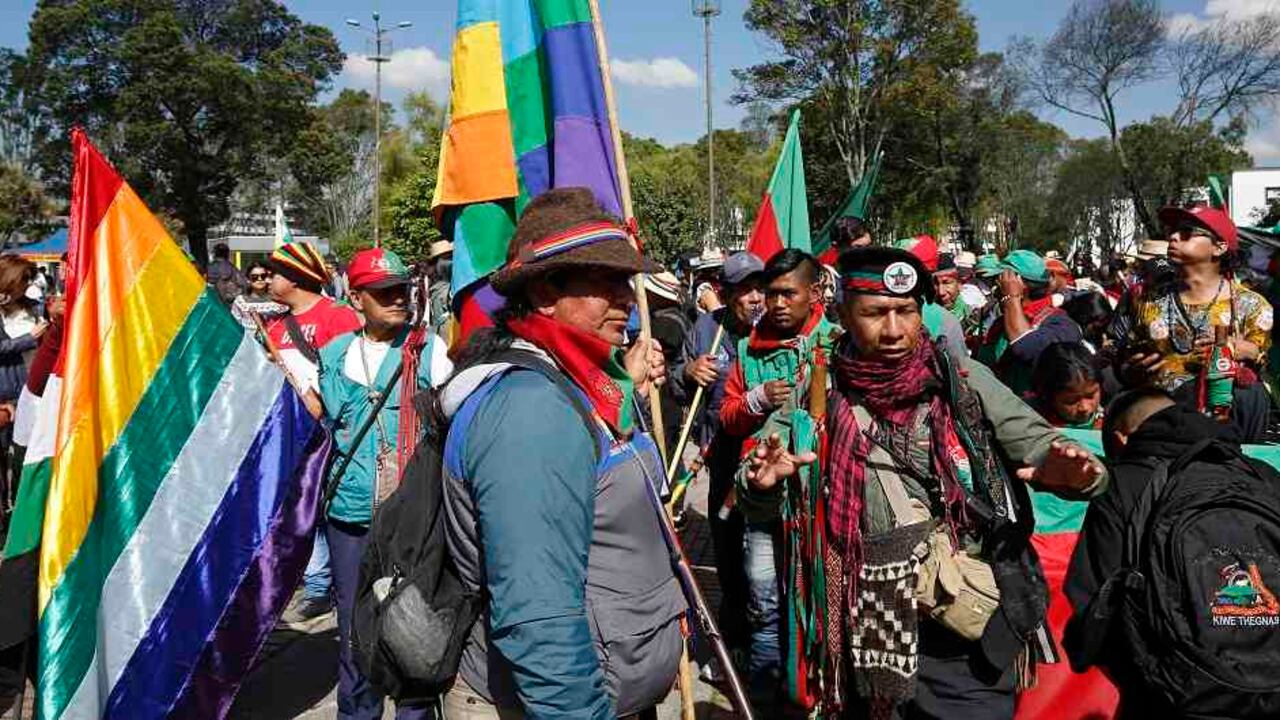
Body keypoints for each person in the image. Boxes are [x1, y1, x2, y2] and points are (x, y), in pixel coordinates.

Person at [744, 246, 1108, 718]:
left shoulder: (962, 379)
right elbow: (758, 493)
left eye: (906, 312)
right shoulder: (815, 390)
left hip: (961, 630)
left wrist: (1074, 473)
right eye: (876, 313)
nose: (894, 329)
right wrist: (763, 484)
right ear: (843, 315)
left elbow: (1040, 444)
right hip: (861, 631)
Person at [437, 187, 682, 718]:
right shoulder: (530, 410)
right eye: (607, 281)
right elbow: (538, 615)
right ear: (546, 292)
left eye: (626, 280)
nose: (627, 299)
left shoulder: (586, 385)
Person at [1062, 389, 1258, 718]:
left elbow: (1096, 607)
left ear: (1121, 439)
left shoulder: (1121, 486)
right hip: (1267, 688)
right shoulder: (1260, 477)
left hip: (1168, 693)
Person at [318, 247, 452, 720]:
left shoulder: (430, 350)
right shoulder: (333, 356)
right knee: (356, 634)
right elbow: (320, 428)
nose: (398, 299)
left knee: (412, 630)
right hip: (350, 518)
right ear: (356, 298)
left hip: (411, 520)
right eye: (384, 292)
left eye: (401, 290)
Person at [718, 248, 840, 704]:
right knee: (764, 603)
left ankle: (819, 694)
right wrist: (757, 399)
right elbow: (728, 419)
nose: (778, 304)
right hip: (761, 500)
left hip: (822, 504)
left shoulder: (838, 341)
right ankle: (766, 698)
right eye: (771, 294)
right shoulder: (749, 349)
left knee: (820, 599)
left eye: (789, 293)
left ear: (814, 293)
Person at [670, 251, 766, 674]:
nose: (757, 298)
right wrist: (687, 372)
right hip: (722, 459)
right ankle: (735, 641)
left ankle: (771, 643)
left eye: (760, 288)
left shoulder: (776, 329)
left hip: (767, 461)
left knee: (764, 557)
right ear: (726, 295)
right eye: (746, 290)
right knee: (727, 551)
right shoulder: (707, 328)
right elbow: (674, 384)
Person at [1113, 205, 1273, 441]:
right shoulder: (1145, 299)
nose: (1174, 237)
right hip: (1161, 427)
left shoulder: (1251, 305)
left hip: (1224, 430)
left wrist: (1240, 350)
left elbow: (1260, 369)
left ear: (1219, 247)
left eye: (1187, 233)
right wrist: (1132, 369)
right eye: (1173, 231)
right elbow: (1123, 361)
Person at [977, 249, 1084, 396]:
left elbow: (1025, 346)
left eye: (999, 280)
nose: (995, 289)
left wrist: (1010, 297)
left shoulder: (1061, 325)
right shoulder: (1002, 322)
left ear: (1018, 283)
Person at [265, 241, 362, 394]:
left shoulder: (339, 315)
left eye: (273, 275)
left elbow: (351, 376)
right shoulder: (273, 323)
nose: (267, 281)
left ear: (294, 277)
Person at [0, 256, 46, 517]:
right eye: (22, 280)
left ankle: (21, 513)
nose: (26, 285)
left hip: (29, 391)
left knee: (25, 458)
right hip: (5, 393)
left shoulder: (34, 308)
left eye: (29, 279)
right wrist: (29, 339)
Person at [1030, 343, 1105, 430]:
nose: (1084, 407)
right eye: (1071, 401)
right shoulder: (1035, 426)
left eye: (1090, 396)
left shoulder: (1108, 422)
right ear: (1047, 397)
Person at [230, 261, 287, 330]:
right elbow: (234, 326)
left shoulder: (279, 300)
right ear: (248, 280)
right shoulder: (240, 302)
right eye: (255, 277)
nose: (259, 279)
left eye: (263, 276)